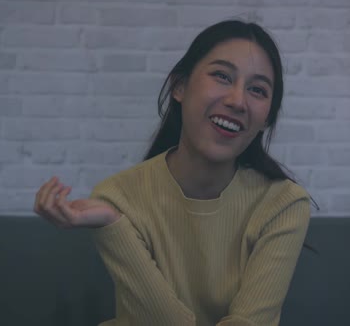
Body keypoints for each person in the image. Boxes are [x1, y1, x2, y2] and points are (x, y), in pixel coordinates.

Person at [34, 20, 314, 326]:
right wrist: (113, 226)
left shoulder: (283, 205)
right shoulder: (117, 199)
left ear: (266, 120)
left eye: (257, 90)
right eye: (222, 76)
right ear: (179, 86)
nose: (237, 100)